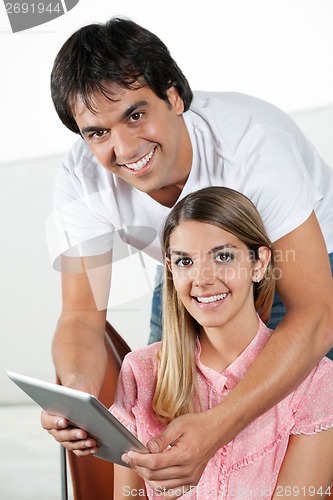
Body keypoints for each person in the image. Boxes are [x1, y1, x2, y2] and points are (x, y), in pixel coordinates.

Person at [42, 17, 333, 489]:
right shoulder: (81, 178)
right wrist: (77, 393)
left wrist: (217, 427)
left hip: (295, 254)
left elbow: (316, 316)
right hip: (182, 262)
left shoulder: (254, 150)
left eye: (135, 115)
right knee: (166, 399)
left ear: (174, 96)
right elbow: (80, 317)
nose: (125, 148)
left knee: (306, 402)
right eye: (97, 132)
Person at [69, 187, 333, 499]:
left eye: (223, 256)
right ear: (170, 269)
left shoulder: (316, 380)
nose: (202, 278)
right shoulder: (140, 371)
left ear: (259, 263)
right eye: (184, 262)